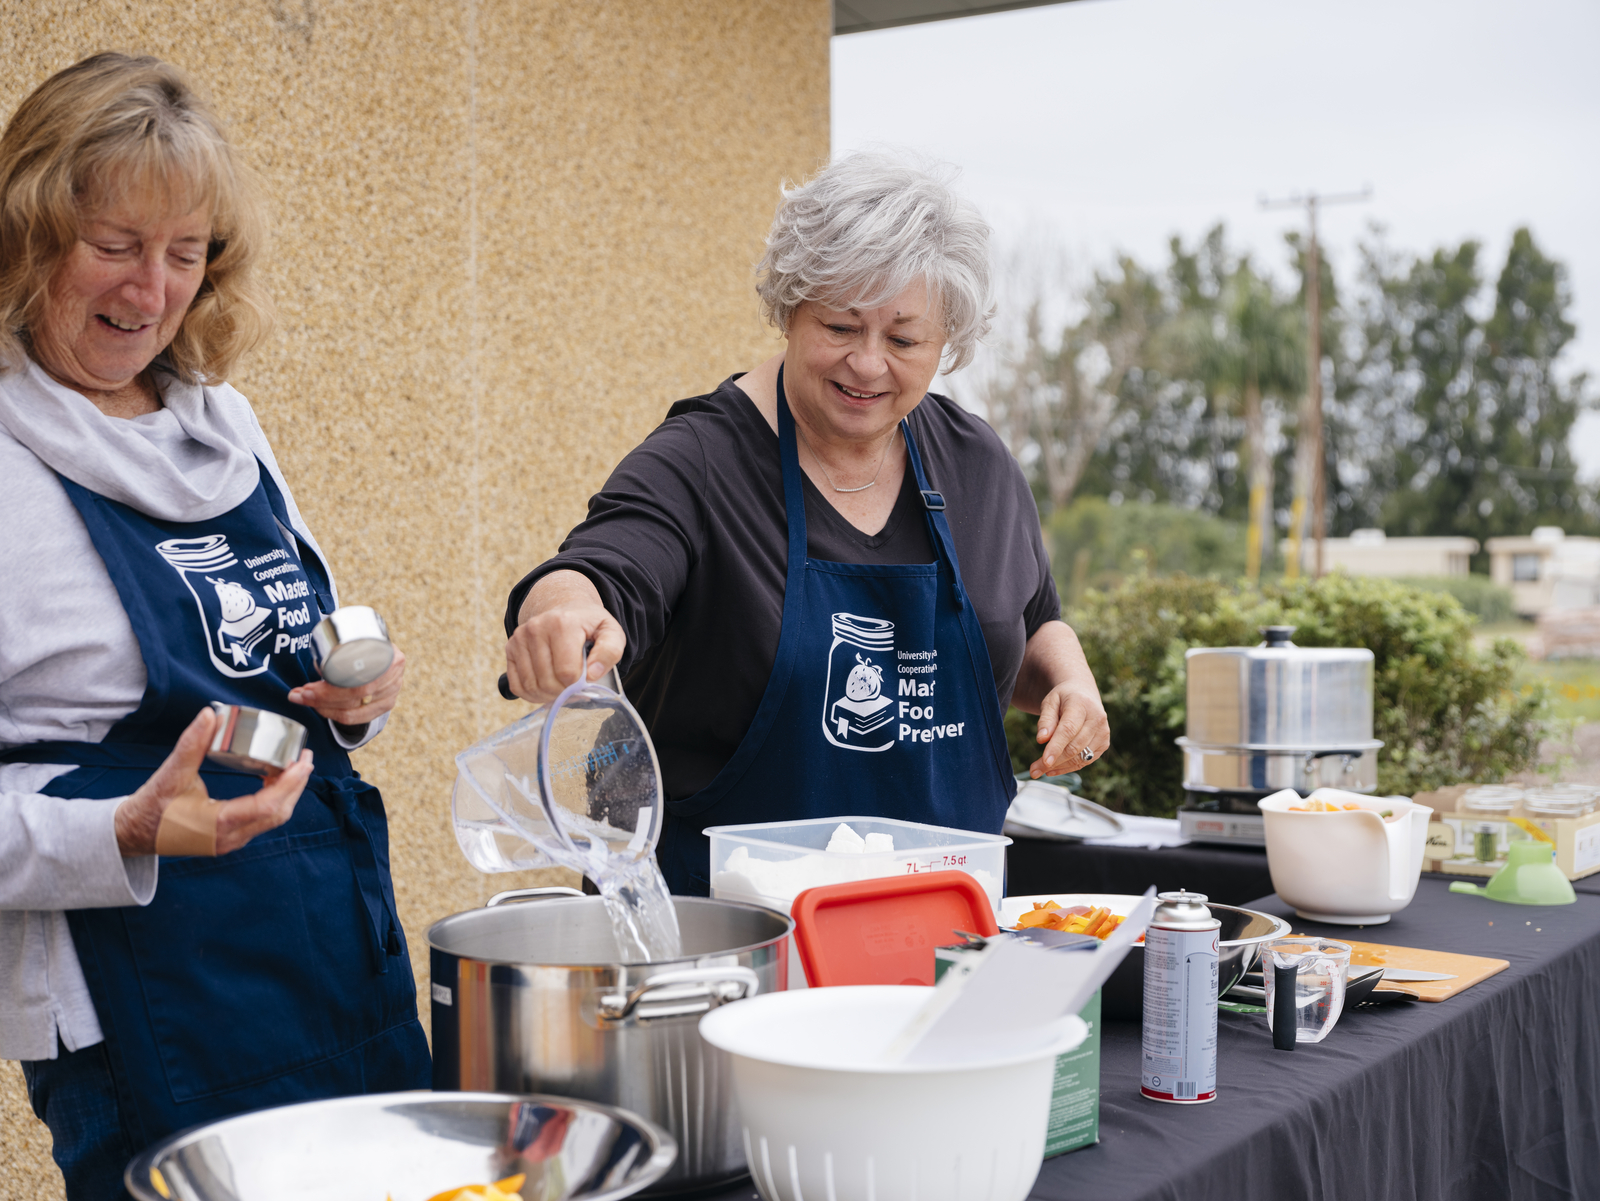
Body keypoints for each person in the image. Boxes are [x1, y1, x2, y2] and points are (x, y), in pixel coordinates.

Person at [0, 54, 429, 1199]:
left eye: (184, 254)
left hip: (332, 950)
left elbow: (290, 644)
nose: (150, 291)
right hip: (145, 999)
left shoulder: (223, 423)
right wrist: (128, 828)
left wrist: (353, 694)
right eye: (114, 244)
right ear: (29, 232)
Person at [503, 153, 1110, 894]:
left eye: (905, 339)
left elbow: (1032, 616)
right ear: (790, 308)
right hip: (728, 949)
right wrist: (562, 614)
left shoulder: (977, 464)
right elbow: (599, 570)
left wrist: (1072, 684)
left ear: (947, 340)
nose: (868, 363)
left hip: (939, 939)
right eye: (841, 325)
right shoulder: (701, 459)